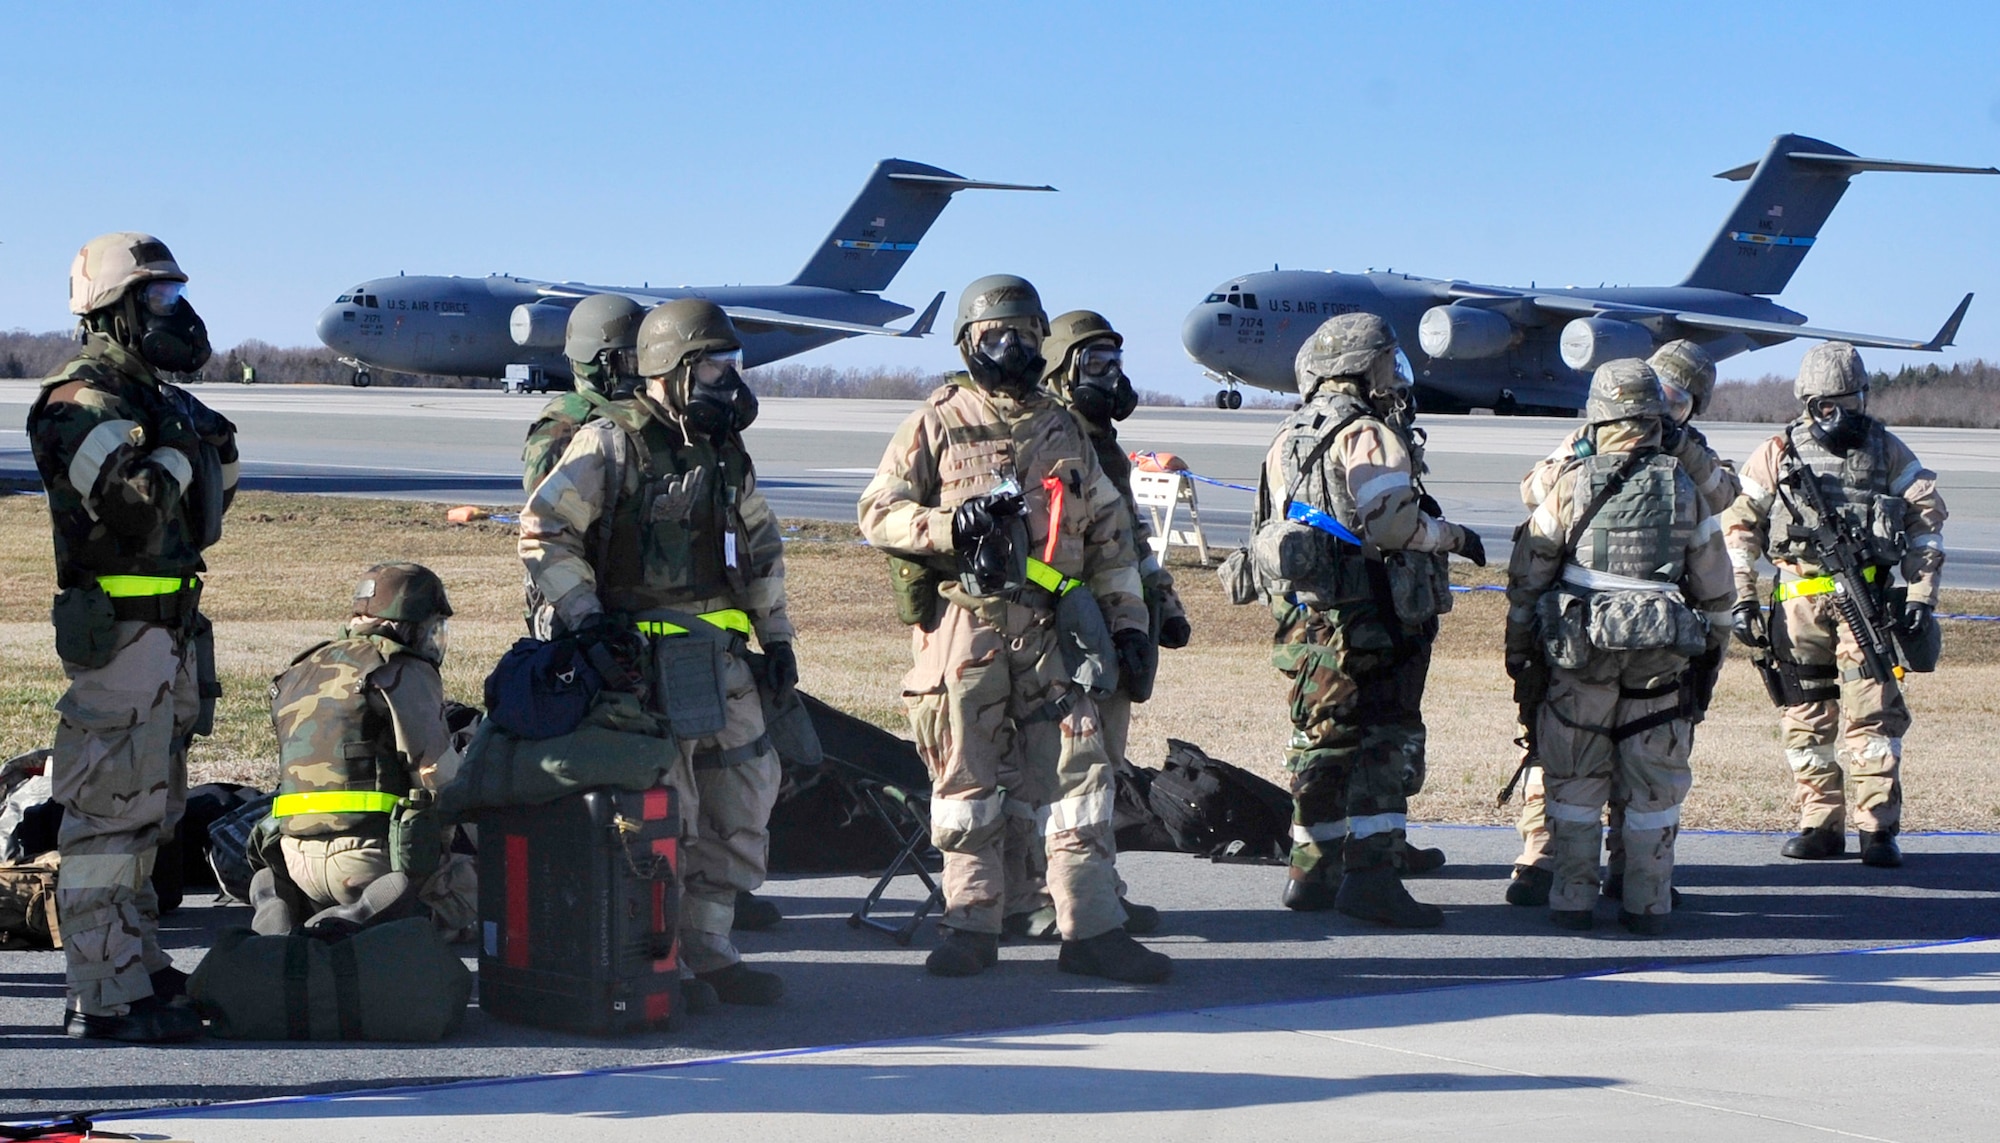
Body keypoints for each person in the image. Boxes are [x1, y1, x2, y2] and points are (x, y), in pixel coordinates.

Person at [857, 275, 1171, 982]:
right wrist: (945, 525)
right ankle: (970, 923)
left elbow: (1111, 539)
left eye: (1027, 335)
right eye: (998, 335)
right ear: (970, 342)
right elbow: (877, 512)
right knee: (967, 780)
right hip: (966, 630)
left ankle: (1091, 928)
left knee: (1081, 780)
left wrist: (1127, 624)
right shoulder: (934, 423)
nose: (1013, 348)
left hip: (1054, 628)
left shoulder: (1063, 429)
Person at [519, 298, 789, 1005]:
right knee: (668, 816)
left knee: (744, 803)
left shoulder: (727, 453)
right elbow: (545, 530)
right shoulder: (612, 443)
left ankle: (712, 949)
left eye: (733, 366)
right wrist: (586, 620)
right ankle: (660, 959)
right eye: (712, 369)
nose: (730, 383)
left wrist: (780, 637)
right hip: (642, 669)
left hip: (722, 666)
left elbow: (760, 547)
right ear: (668, 373)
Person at [29, 232, 238, 1041]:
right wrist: (184, 456)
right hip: (119, 636)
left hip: (171, 629)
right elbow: (138, 501)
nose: (171, 311)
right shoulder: (75, 401)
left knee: (154, 808)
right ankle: (105, 987)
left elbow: (218, 471)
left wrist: (181, 454)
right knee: (109, 814)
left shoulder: (155, 400)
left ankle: (136, 956)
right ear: (111, 309)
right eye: (153, 297)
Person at [1248, 312, 1482, 928]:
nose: (1393, 377)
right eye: (1384, 363)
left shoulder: (1287, 435)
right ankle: (1373, 876)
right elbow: (1393, 525)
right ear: (1357, 370)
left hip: (1307, 620)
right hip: (1370, 618)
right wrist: (1453, 535)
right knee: (1384, 738)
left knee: (1322, 738)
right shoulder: (1368, 434)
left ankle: (1311, 870)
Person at [1505, 339, 1740, 906]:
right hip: (1647, 641)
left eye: (1679, 401)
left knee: (1602, 759)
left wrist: (1519, 643)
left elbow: (1723, 496)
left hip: (1606, 637)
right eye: (1661, 396)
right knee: (1590, 759)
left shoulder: (1684, 459)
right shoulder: (1589, 451)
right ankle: (1560, 864)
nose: (1667, 408)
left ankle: (1603, 883)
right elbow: (1534, 493)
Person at [991, 309, 1190, 940]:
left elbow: (1127, 536)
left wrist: (1163, 601)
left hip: (1115, 621)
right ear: (1062, 369)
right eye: (1096, 365)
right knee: (1045, 769)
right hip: (1060, 629)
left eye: (1116, 364)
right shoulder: (1052, 439)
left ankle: (1096, 891)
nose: (1113, 377)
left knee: (1102, 768)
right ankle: (1027, 892)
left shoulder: (1099, 444)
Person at [1721, 341, 1946, 868]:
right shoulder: (1778, 452)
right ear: (1809, 402)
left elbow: (1926, 522)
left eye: (1850, 401)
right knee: (1805, 718)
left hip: (1863, 604)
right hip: (1796, 609)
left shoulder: (1886, 450)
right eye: (1828, 404)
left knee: (1873, 718)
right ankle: (1819, 823)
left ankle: (1877, 829)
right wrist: (1743, 598)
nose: (1840, 415)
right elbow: (1740, 523)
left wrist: (1919, 596)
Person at [251, 563, 475, 940]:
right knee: (484, 883)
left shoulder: (301, 669)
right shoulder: (400, 669)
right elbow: (438, 775)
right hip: (372, 860)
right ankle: (385, 918)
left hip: (295, 855)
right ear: (410, 624)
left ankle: (285, 899)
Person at [520, 292, 646, 497]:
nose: (639, 371)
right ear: (596, 364)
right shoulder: (564, 425)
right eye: (629, 361)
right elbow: (545, 509)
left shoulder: (646, 414)